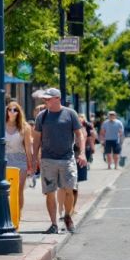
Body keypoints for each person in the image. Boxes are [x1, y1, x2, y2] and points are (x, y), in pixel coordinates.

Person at [31, 88, 87, 234]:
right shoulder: (41, 117)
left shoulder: (70, 114)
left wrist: (82, 153)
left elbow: (80, 135)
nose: (45, 101)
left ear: (57, 98)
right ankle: (54, 224)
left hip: (67, 159)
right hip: (47, 160)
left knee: (70, 189)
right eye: (45, 99)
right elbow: (36, 139)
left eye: (48, 98)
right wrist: (33, 158)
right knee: (50, 193)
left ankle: (67, 216)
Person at [4, 103, 34, 214]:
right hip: (6, 160)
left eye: (15, 110)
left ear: (19, 112)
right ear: (6, 111)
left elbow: (27, 148)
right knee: (6, 190)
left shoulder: (25, 127)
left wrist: (30, 165)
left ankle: (18, 214)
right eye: (9, 109)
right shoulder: (1, 125)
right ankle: (8, 214)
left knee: (19, 189)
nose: (12, 112)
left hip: (20, 160)